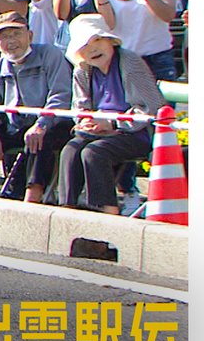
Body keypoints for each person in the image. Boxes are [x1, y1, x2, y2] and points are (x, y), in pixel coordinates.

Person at [58, 14, 166, 214]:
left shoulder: (129, 61)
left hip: (135, 132)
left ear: (110, 41)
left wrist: (113, 124)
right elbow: (79, 107)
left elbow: (152, 107)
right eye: (85, 45)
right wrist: (84, 121)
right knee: (71, 150)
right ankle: (68, 210)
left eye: (97, 40)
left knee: (93, 153)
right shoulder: (82, 69)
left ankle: (108, 212)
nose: (93, 49)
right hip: (98, 132)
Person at [0, 11, 73, 201]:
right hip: (13, 126)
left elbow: (61, 95)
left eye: (16, 33)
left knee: (39, 140)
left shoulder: (50, 55)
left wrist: (41, 124)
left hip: (50, 124)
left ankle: (32, 199)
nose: (11, 41)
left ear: (30, 35)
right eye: (4, 36)